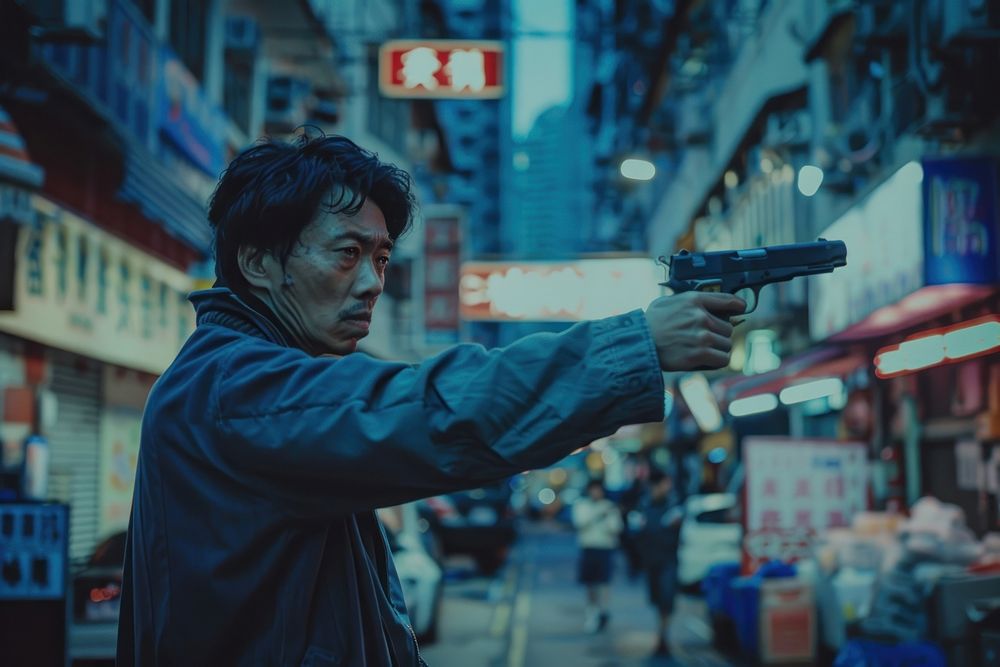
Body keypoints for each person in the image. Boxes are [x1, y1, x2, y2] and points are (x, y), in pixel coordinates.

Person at [116, 132, 745, 666]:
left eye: (382, 259)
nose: (371, 283)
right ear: (257, 263)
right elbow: (437, 411)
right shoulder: (236, 388)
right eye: (347, 254)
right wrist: (635, 344)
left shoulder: (240, 378)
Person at [636, 469, 684, 657]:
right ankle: (661, 632)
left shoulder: (675, 506)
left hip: (668, 560)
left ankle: (663, 635)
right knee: (656, 599)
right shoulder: (643, 506)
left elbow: (682, 533)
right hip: (651, 561)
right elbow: (636, 533)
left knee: (666, 597)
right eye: (664, 483)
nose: (667, 487)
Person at [571, 479, 623, 633]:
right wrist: (599, 515)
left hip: (605, 548)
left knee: (605, 582)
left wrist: (607, 517)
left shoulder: (609, 506)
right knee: (590, 584)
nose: (596, 493)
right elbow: (580, 523)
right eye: (593, 489)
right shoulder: (582, 505)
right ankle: (591, 613)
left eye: (598, 489)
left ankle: (603, 612)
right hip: (589, 548)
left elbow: (616, 528)